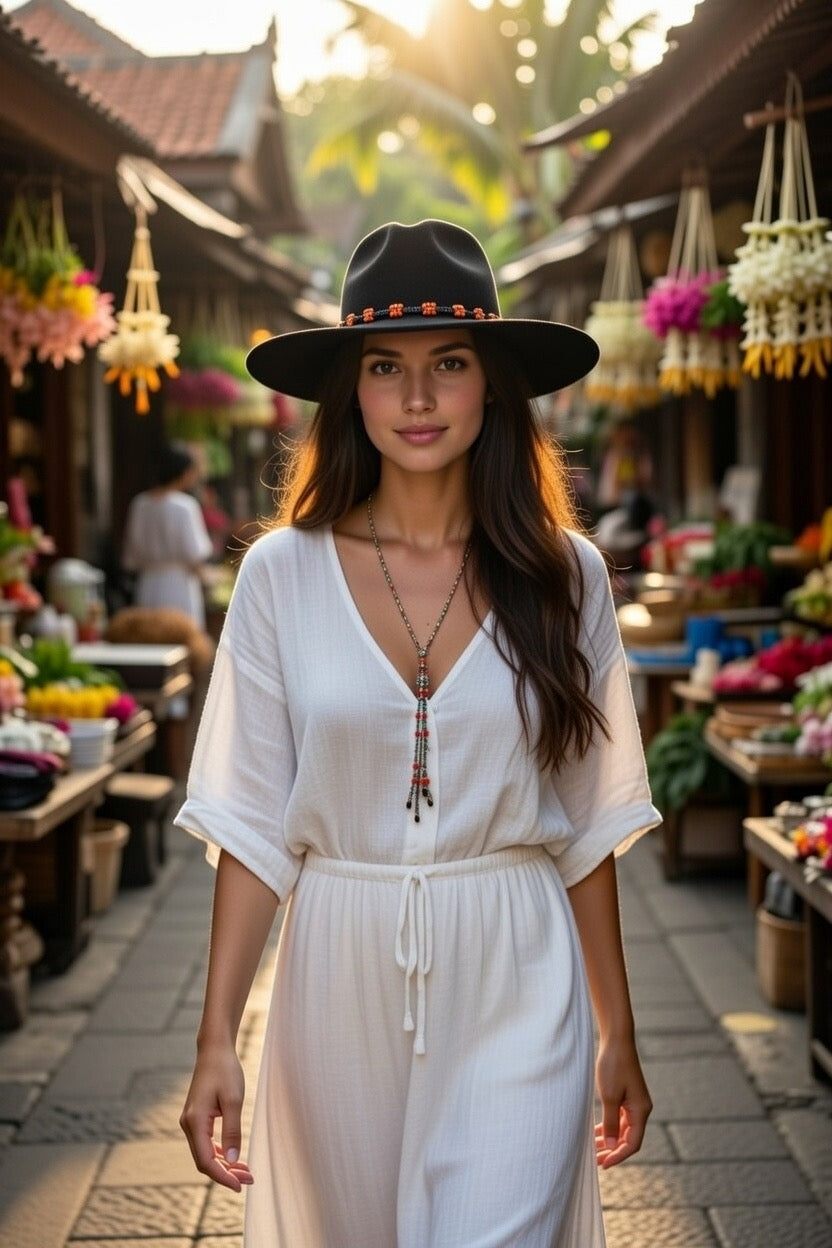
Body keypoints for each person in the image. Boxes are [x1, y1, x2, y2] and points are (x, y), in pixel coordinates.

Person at [176, 219, 661, 1247]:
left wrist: (619, 1030)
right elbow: (254, 828)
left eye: (449, 363)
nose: (419, 397)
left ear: (493, 384)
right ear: (351, 390)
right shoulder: (281, 575)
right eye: (386, 367)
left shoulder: (565, 574)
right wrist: (215, 1037)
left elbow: (585, 825)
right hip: (336, 969)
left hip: (516, 960)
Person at [122, 444, 213, 630]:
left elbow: (130, 557)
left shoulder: (140, 504)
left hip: (147, 585)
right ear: (184, 473)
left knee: (149, 641)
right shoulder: (185, 506)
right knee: (182, 641)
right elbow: (194, 555)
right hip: (178, 587)